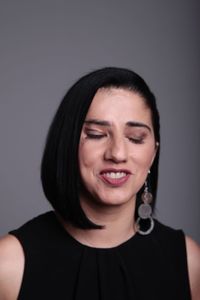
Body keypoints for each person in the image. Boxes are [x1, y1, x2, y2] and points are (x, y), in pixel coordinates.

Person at [0, 67, 199, 300]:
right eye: (96, 134)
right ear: (68, 144)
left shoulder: (188, 263)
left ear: (153, 154)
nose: (117, 153)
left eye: (135, 138)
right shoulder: (9, 265)